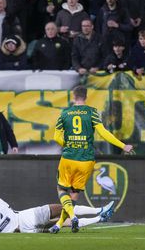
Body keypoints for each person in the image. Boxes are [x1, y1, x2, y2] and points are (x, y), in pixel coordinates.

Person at [49, 85, 134, 234]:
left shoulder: (64, 113)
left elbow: (56, 137)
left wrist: (69, 144)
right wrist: (123, 145)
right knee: (74, 194)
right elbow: (103, 133)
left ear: (73, 96)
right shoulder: (92, 112)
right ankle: (59, 224)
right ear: (86, 97)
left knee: (62, 189)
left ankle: (73, 216)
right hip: (86, 160)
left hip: (69, 158)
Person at [0, 187, 115, 234]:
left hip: (27, 231)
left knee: (63, 223)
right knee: (66, 207)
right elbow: (10, 211)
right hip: (27, 217)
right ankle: (100, 209)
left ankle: (100, 219)